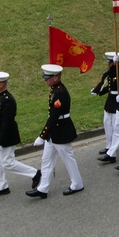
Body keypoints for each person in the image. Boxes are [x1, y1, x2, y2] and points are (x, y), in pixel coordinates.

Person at [28, 64, 83, 198]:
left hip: (61, 130)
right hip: (54, 132)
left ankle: (77, 184)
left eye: (48, 78)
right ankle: (43, 189)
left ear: (56, 77)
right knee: (46, 161)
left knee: (68, 159)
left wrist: (42, 135)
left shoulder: (60, 92)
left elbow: (54, 116)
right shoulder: (55, 89)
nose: (45, 80)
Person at [0, 71, 39, 198]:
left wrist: (0, 142)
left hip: (7, 135)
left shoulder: (8, 100)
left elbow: (7, 123)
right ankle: (1, 187)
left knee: (7, 162)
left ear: (2, 84)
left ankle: (36, 174)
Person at [91, 52, 119, 155]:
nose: (109, 65)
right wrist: (98, 91)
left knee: (117, 126)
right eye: (109, 63)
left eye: (111, 62)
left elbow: (116, 77)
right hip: (110, 100)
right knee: (107, 123)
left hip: (118, 100)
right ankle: (109, 146)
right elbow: (109, 86)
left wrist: (116, 65)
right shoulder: (111, 72)